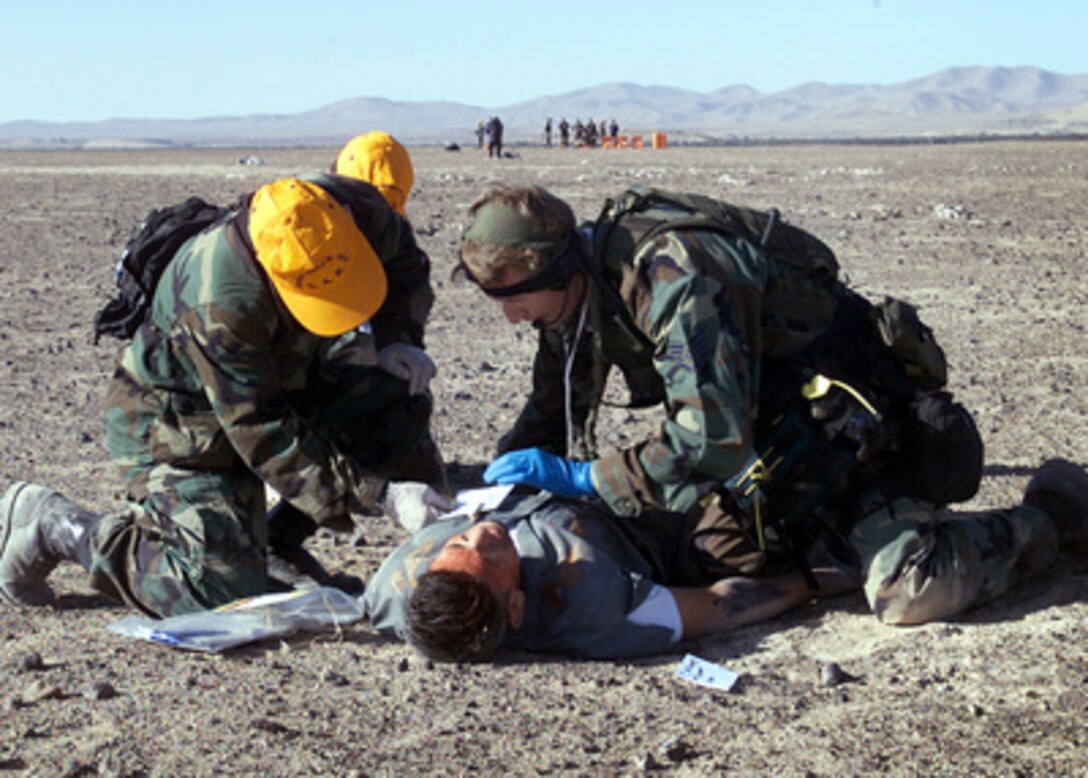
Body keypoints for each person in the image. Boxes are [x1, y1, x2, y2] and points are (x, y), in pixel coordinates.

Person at [450, 182, 1088, 636]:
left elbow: (710, 438)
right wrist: (491, 489)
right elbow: (551, 406)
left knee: (907, 590)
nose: (510, 316)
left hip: (852, 428)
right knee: (702, 550)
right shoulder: (579, 295)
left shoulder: (678, 278)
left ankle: (1054, 511)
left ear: (560, 269)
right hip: (773, 436)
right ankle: (819, 551)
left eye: (516, 299)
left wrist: (588, 478)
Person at [0, 174, 453, 616]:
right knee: (217, 588)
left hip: (291, 377)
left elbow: (405, 264)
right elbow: (264, 430)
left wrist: (399, 338)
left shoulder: (351, 210)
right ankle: (56, 527)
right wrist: (383, 497)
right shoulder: (220, 302)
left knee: (393, 403)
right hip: (181, 422)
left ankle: (274, 543)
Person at [364, 490, 855, 660]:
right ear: (516, 606)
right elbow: (717, 606)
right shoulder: (591, 606)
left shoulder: (395, 590)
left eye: (457, 542)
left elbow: (333, 608)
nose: (483, 534)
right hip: (641, 518)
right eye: (491, 557)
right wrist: (814, 582)